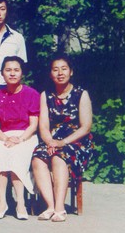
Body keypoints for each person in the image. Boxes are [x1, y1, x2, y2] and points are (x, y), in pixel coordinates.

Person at [32, 55, 94, 223]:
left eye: (64, 69)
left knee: (59, 157)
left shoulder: (81, 94)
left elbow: (86, 127)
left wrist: (62, 142)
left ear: (71, 72)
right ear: (51, 74)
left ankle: (60, 208)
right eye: (55, 69)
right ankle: (50, 206)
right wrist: (50, 141)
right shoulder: (46, 95)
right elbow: (43, 126)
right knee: (38, 158)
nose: (60, 73)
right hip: (52, 139)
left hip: (76, 141)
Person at [0, 56, 40, 220]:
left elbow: (33, 125)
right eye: (8, 70)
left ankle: (20, 203)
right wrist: (5, 139)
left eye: (16, 70)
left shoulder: (31, 94)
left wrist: (20, 139)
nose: (12, 73)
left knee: (17, 154)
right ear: (2, 73)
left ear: (22, 73)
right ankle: (2, 203)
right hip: (4, 136)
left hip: (26, 136)